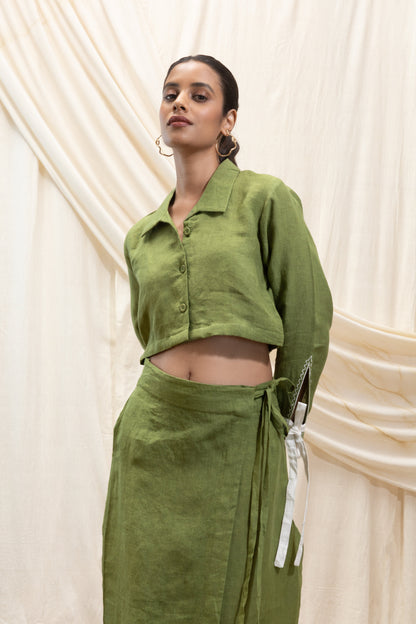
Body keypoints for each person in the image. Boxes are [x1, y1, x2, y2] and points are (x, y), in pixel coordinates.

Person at [101, 54, 333, 624]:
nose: (179, 102)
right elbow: (151, 335)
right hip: (153, 436)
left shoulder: (264, 199)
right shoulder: (142, 237)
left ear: (228, 120)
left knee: (242, 593)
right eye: (170, 93)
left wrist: (282, 420)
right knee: (146, 587)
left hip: (240, 430)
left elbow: (307, 316)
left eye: (198, 94)